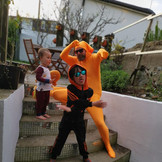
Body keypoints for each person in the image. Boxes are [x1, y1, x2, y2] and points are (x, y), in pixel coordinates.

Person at [51, 40, 116, 158]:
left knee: (100, 123)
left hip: (92, 95)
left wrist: (102, 53)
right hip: (77, 93)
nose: (78, 53)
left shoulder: (94, 58)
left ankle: (108, 145)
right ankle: (41, 90)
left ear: (86, 50)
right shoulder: (76, 60)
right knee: (55, 94)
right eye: (76, 51)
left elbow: (102, 53)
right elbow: (63, 56)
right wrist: (71, 45)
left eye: (81, 50)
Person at [50, 64, 107, 162]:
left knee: (82, 139)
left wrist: (89, 103)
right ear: (72, 78)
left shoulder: (89, 91)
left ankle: (85, 156)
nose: (81, 75)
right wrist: (93, 103)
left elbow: (83, 104)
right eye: (77, 74)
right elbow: (77, 103)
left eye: (83, 73)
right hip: (67, 119)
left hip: (79, 119)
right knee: (61, 139)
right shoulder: (70, 88)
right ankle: (53, 156)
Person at [35, 48, 55, 120]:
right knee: (40, 102)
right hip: (41, 90)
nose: (49, 60)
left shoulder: (46, 68)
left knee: (46, 101)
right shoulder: (40, 68)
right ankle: (38, 114)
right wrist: (47, 81)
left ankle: (43, 112)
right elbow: (38, 78)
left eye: (50, 58)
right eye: (47, 57)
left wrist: (51, 82)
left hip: (47, 89)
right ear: (41, 58)